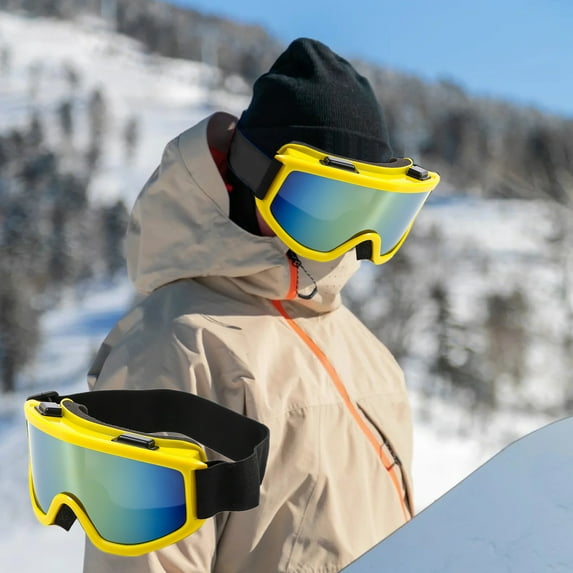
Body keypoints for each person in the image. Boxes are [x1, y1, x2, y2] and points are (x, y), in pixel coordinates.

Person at [83, 37, 438, 573]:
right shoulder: (177, 348)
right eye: (325, 206)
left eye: (377, 212)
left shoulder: (367, 351)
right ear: (254, 181)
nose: (351, 243)